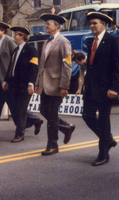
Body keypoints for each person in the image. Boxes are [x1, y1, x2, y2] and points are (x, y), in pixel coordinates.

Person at [83, 12, 119, 166]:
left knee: (104, 119)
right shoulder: (90, 42)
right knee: (87, 115)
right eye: (91, 23)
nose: (92, 26)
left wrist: (115, 88)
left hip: (106, 89)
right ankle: (108, 139)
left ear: (103, 24)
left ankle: (103, 154)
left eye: (95, 23)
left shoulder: (112, 40)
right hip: (91, 88)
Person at [35, 13, 73, 156]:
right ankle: (66, 127)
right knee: (44, 111)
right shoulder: (46, 41)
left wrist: (64, 86)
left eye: (48, 23)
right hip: (45, 85)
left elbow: (67, 65)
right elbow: (42, 66)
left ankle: (53, 145)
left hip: (57, 85)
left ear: (57, 26)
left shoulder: (64, 42)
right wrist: (38, 83)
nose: (45, 25)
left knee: (51, 115)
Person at [2, 26, 42, 143]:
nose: (15, 36)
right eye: (15, 34)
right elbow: (11, 67)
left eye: (17, 34)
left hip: (25, 85)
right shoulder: (16, 50)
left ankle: (20, 134)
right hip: (14, 84)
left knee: (20, 109)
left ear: (23, 37)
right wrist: (6, 80)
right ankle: (35, 120)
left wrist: (31, 84)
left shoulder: (31, 50)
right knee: (14, 107)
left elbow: (34, 68)